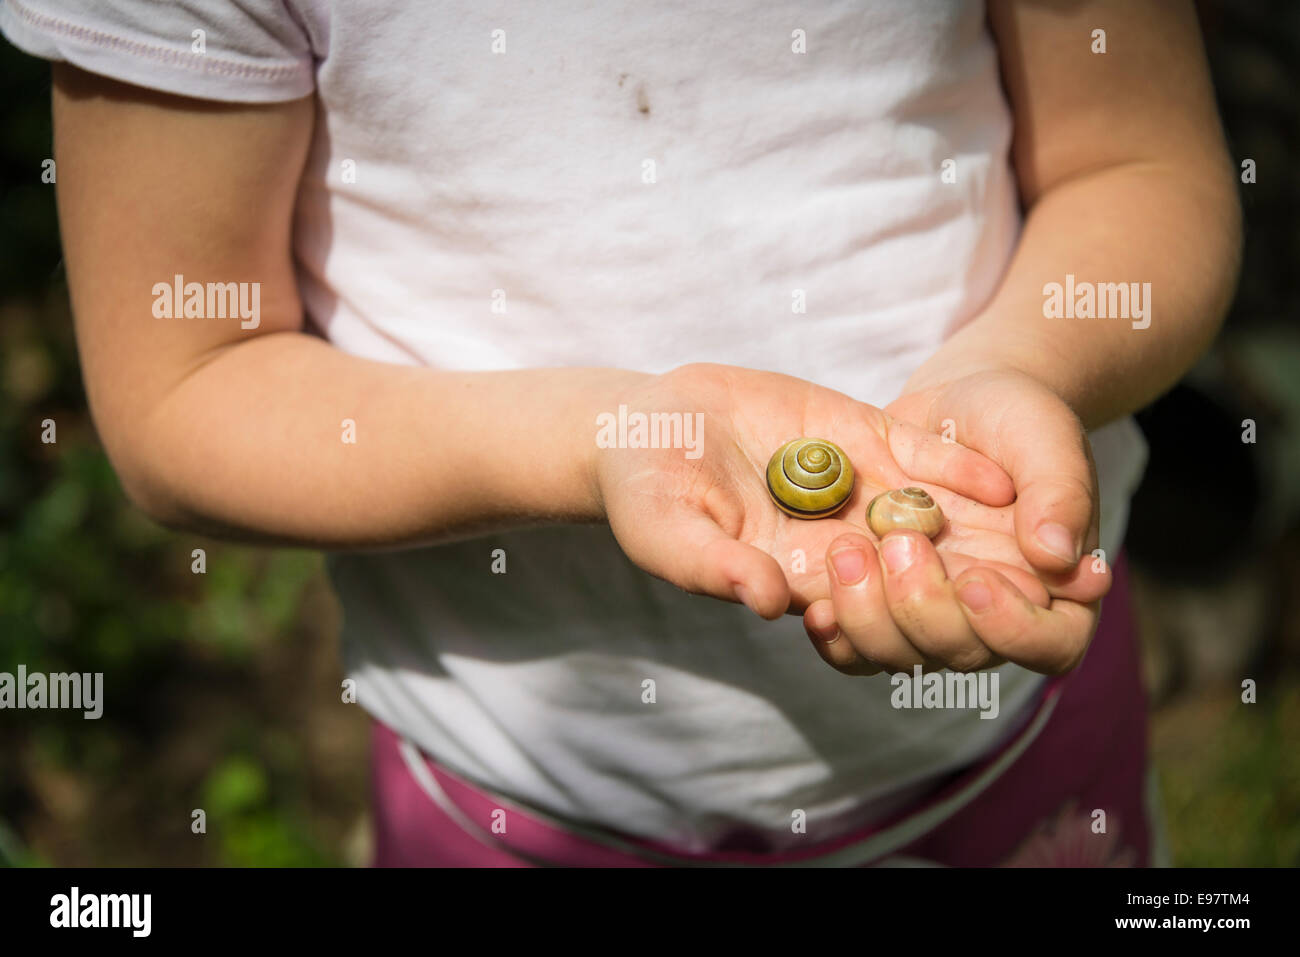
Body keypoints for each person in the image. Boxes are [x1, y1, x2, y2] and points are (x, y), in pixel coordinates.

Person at [2, 0, 1240, 865]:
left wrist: (1019, 364)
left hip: (1012, 749)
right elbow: (183, 389)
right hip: (519, 806)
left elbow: (1138, 163)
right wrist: (595, 439)